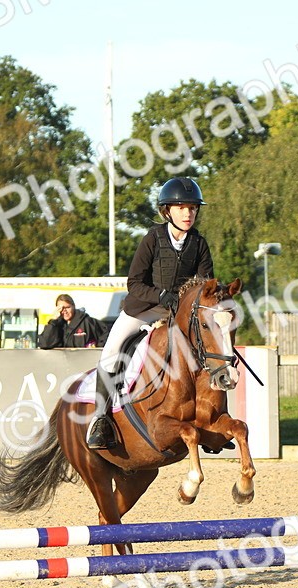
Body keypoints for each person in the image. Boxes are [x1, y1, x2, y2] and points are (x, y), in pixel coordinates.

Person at [85, 177, 214, 450]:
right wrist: (161, 296)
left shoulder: (199, 244)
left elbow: (205, 286)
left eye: (192, 208)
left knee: (207, 350)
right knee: (111, 352)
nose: (188, 214)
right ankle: (100, 420)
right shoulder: (153, 239)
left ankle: (209, 419)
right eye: (181, 208)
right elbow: (134, 283)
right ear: (167, 211)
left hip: (177, 314)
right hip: (143, 309)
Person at [37, 294, 108, 349]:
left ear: (73, 306)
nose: (64, 311)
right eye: (61, 308)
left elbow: (106, 336)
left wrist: (96, 350)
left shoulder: (87, 322)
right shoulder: (56, 325)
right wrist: (53, 321)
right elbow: (44, 344)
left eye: (67, 307)